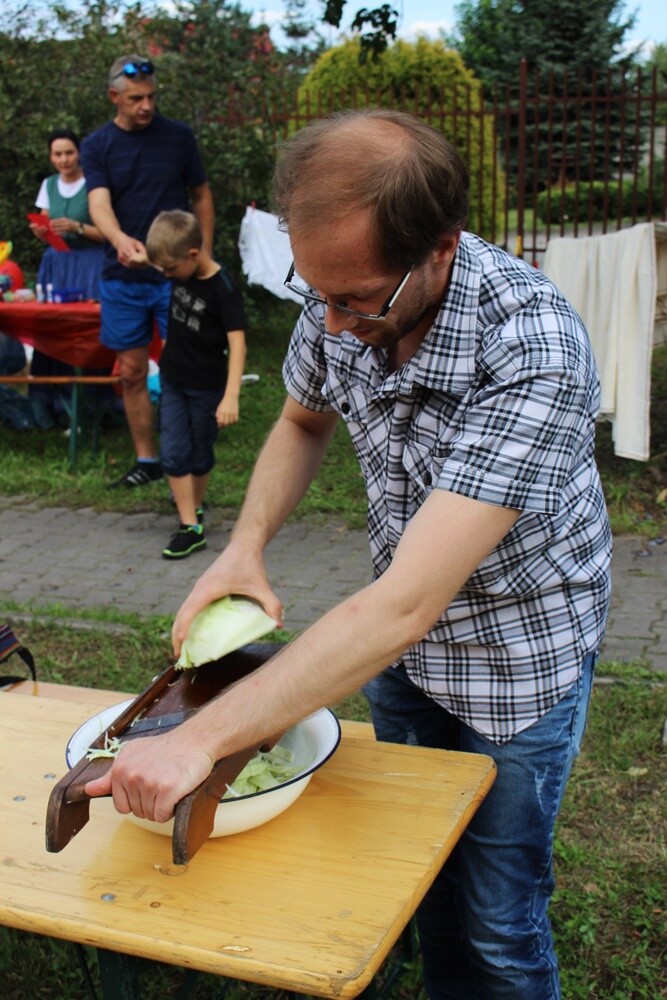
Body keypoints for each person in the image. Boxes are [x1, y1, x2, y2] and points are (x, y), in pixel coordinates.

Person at [86, 110, 612, 1000]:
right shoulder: (345, 297)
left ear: (439, 248)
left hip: (517, 661)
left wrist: (200, 740)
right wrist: (243, 549)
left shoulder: (534, 348)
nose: (328, 325)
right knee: (410, 869)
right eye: (312, 292)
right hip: (398, 658)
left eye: (354, 299)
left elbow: (406, 601)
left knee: (497, 918)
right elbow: (299, 418)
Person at [80, 54, 214, 490]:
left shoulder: (178, 137)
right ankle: (147, 459)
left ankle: (191, 462)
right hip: (122, 279)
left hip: (175, 277)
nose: (146, 106)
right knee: (132, 372)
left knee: (185, 370)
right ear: (114, 96)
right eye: (136, 98)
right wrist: (118, 239)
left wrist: (204, 257)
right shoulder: (97, 145)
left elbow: (201, 194)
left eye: (152, 97)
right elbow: (98, 204)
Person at [144, 210, 247, 560]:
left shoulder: (223, 289)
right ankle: (190, 526)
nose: (166, 276)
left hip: (207, 387)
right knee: (173, 450)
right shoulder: (178, 265)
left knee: (200, 452)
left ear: (192, 254)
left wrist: (231, 396)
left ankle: (195, 507)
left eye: (170, 270)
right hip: (173, 379)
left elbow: (238, 344)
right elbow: (160, 257)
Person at [28, 128, 106, 425]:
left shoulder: (94, 186)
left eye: (69, 153)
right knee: (52, 330)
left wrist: (77, 227)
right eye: (57, 154)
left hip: (89, 264)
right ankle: (50, 406)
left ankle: (91, 406)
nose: (64, 159)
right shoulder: (48, 185)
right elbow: (46, 224)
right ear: (50, 157)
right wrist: (41, 231)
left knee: (86, 333)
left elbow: (107, 234)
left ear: (80, 154)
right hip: (57, 264)